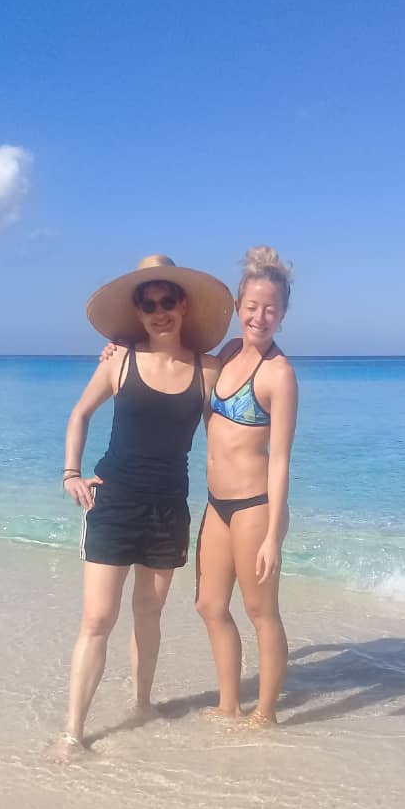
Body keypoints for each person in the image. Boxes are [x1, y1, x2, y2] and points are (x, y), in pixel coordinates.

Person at [46, 255, 230, 762]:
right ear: (139, 312)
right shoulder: (119, 361)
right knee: (97, 618)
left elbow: (232, 433)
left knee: (149, 614)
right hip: (114, 501)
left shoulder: (207, 370)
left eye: (167, 301)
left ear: (184, 305)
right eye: (148, 305)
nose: (159, 312)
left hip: (168, 506)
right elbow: (80, 414)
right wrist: (70, 474)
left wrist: (244, 504)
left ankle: (142, 704)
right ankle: (72, 734)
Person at [195, 246, 298, 726]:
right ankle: (228, 704)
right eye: (252, 307)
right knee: (209, 605)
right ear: (238, 308)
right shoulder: (228, 354)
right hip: (217, 505)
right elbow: (173, 364)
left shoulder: (279, 374)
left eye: (270, 309)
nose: (260, 317)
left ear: (283, 315)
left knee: (261, 612)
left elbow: (279, 461)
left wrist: (274, 535)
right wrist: (118, 349)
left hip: (255, 507)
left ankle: (266, 715)